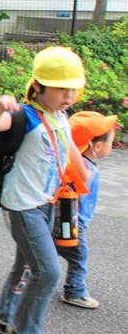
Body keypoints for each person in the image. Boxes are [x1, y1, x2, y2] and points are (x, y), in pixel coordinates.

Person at [0, 46, 89, 334]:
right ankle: (27, 328)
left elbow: (66, 154)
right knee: (47, 272)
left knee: (27, 267)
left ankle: (5, 317)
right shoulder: (25, 116)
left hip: (48, 202)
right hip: (23, 205)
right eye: (60, 89)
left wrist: (82, 182)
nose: (68, 96)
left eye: (73, 89)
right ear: (38, 86)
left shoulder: (62, 117)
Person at [55, 111, 117, 310]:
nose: (112, 147)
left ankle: (31, 281)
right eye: (111, 143)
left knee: (44, 254)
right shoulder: (88, 170)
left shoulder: (67, 162)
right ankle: (74, 291)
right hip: (73, 225)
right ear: (97, 146)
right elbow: (80, 201)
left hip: (53, 220)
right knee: (79, 258)